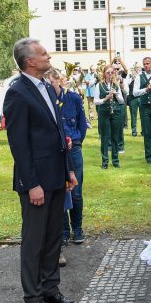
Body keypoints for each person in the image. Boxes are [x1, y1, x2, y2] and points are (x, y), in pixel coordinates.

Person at [3, 38, 78, 303]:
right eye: (43, 53)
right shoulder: (18, 93)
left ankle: (50, 289)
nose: (49, 56)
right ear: (30, 61)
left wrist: (68, 169)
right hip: (36, 181)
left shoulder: (47, 86)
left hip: (56, 176)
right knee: (34, 241)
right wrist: (31, 183)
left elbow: (60, 134)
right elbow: (19, 145)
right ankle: (33, 299)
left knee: (52, 238)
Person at [45, 68, 87, 245]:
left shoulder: (73, 98)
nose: (48, 87)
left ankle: (77, 228)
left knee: (75, 191)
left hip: (73, 148)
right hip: (55, 151)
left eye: (51, 83)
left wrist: (76, 141)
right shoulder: (46, 101)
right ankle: (63, 231)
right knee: (59, 191)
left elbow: (82, 124)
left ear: (58, 80)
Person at [94, 64, 124, 169]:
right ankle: (105, 162)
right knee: (105, 138)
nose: (110, 75)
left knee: (115, 138)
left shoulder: (116, 85)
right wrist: (105, 99)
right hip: (104, 113)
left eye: (112, 72)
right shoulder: (99, 85)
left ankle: (115, 161)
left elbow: (122, 101)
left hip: (115, 112)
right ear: (104, 74)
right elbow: (95, 101)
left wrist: (116, 94)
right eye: (108, 73)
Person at [133, 57, 151, 163]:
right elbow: (135, 92)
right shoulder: (139, 77)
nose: (146, 65)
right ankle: (148, 156)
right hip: (144, 107)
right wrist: (146, 89)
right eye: (144, 64)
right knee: (147, 132)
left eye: (148, 63)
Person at [126, 64, 142, 137]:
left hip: (141, 97)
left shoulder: (142, 76)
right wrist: (133, 78)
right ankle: (134, 131)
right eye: (136, 69)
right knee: (133, 115)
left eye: (139, 69)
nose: (137, 71)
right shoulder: (130, 77)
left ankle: (143, 131)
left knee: (143, 116)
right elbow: (127, 84)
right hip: (132, 98)